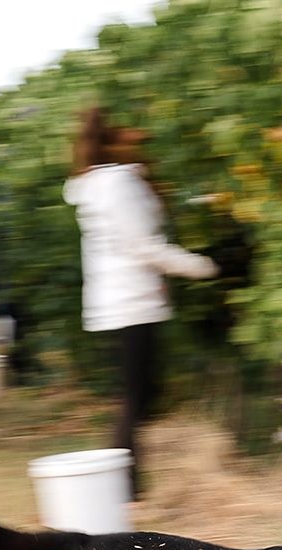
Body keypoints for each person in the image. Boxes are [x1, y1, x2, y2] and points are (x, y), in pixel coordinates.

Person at [63, 108, 217, 498]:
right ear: (114, 144)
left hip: (125, 299)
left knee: (139, 397)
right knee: (135, 400)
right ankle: (122, 487)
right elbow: (142, 245)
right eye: (136, 140)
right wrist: (202, 266)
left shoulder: (104, 183)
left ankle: (125, 483)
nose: (144, 147)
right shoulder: (116, 185)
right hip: (129, 301)